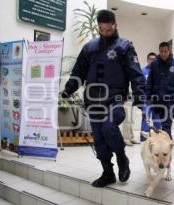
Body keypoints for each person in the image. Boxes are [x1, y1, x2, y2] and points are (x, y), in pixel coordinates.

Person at [61, 10, 146, 187]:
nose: (105, 33)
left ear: (115, 25)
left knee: (109, 128)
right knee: (99, 138)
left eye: (109, 29)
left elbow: (135, 73)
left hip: (114, 99)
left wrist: (140, 95)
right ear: (99, 27)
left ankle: (122, 158)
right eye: (102, 30)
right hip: (93, 100)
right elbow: (79, 72)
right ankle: (108, 172)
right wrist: (69, 88)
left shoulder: (125, 46)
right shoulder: (89, 47)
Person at [146, 42, 174, 139]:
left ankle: (166, 142)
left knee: (167, 123)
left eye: (165, 51)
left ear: (169, 51)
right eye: (161, 51)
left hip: (171, 99)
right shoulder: (154, 64)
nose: (163, 54)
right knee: (160, 122)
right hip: (157, 99)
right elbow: (149, 81)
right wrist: (148, 95)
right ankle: (164, 142)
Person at [140, 52, 162, 141]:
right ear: (147, 60)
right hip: (146, 100)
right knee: (146, 117)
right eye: (150, 59)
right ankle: (144, 135)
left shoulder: (160, 71)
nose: (152, 61)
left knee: (157, 118)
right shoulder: (143, 71)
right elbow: (140, 85)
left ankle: (158, 135)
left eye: (154, 59)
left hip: (157, 100)